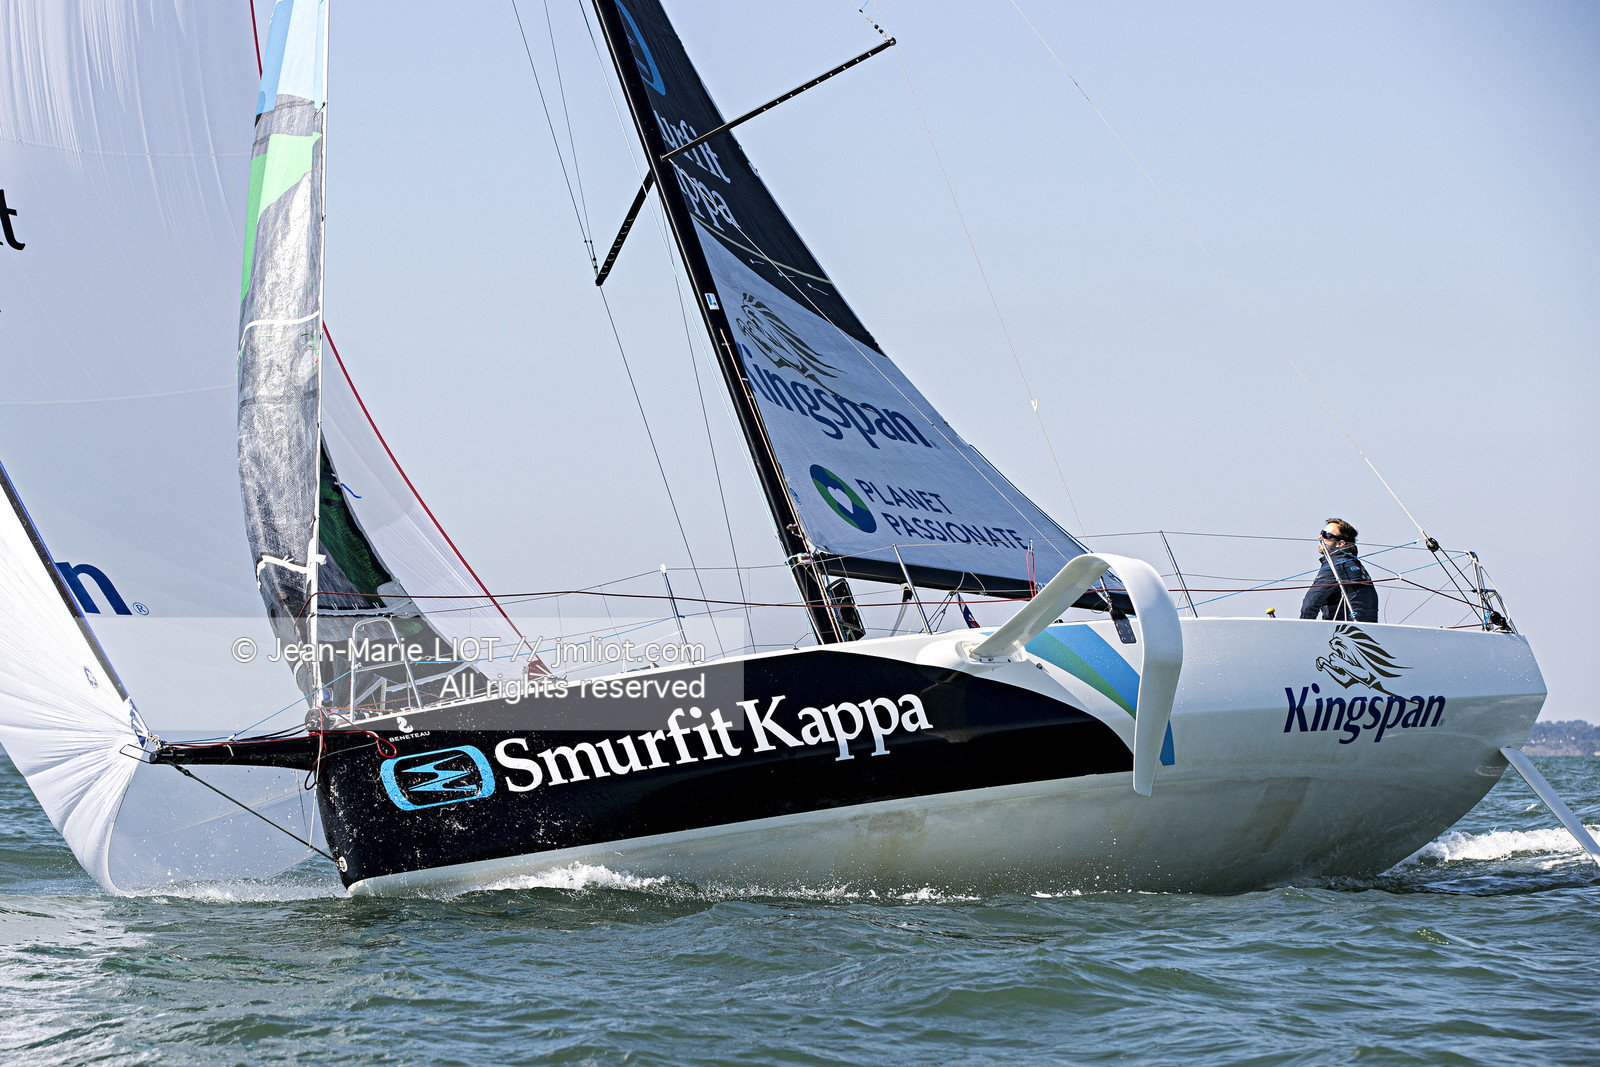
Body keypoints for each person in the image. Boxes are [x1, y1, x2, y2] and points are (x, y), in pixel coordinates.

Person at [1299, 518, 1378, 622]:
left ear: (1340, 543)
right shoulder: (1355, 565)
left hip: (1343, 632)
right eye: (1321, 533)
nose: (1320, 537)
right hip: (1366, 633)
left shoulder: (1336, 565)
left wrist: (1303, 632)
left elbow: (1310, 605)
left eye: (1326, 535)